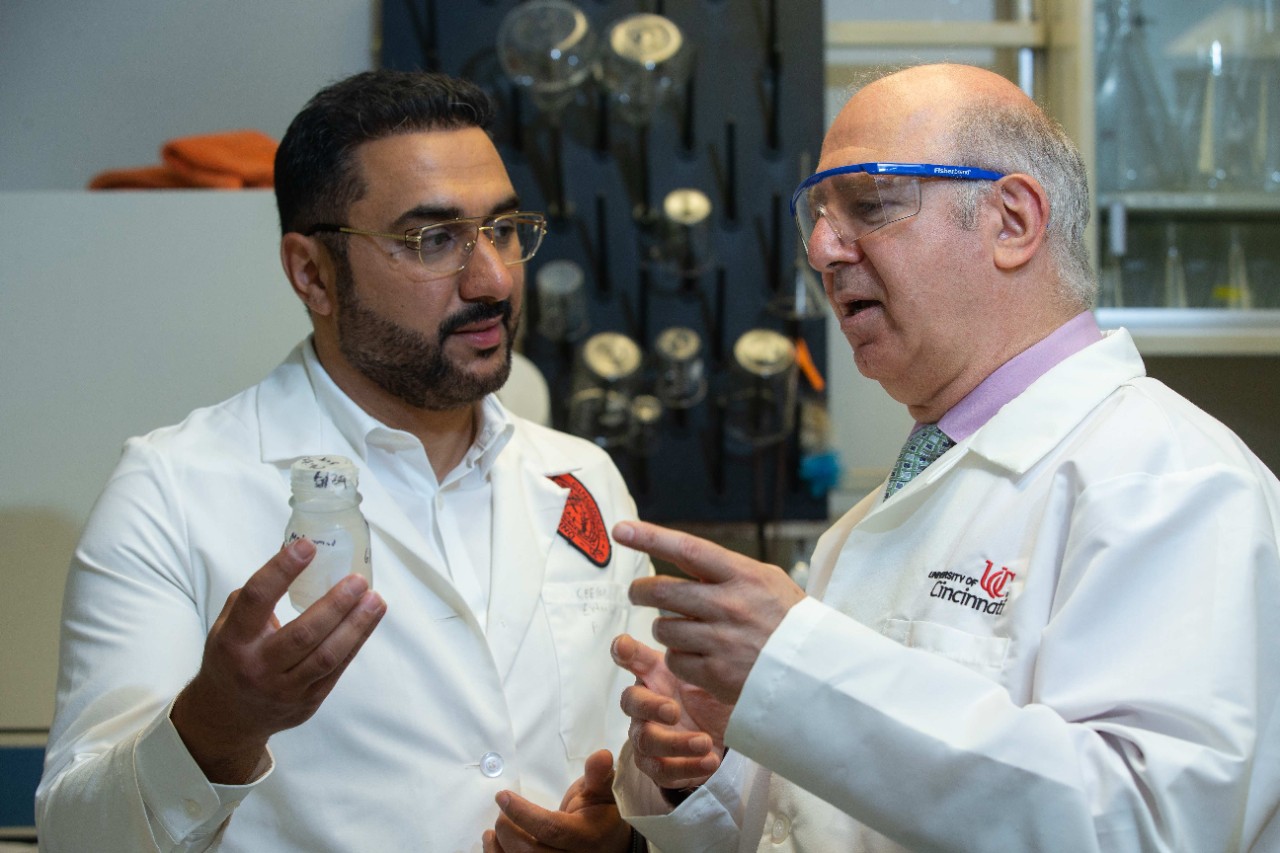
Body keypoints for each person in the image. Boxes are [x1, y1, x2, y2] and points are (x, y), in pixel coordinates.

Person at [608, 63, 1280, 852]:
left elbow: (1145, 826)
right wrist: (716, 760)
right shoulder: (869, 522)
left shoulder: (1172, 480)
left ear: (1012, 222)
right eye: (816, 217)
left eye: (870, 204)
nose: (822, 249)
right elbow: (825, 823)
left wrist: (795, 668)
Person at [36, 69, 653, 853]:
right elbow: (77, 837)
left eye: (502, 228)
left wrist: (624, 834)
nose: (493, 278)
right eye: (433, 240)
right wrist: (215, 730)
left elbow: (654, 767)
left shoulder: (583, 478)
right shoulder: (172, 491)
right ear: (312, 274)